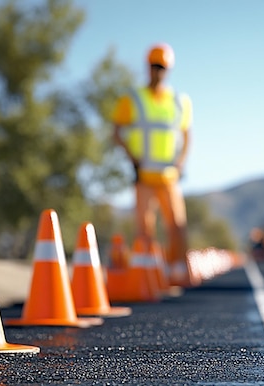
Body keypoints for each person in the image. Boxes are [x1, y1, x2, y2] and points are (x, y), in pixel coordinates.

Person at [112, 42, 195, 287]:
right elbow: (116, 131)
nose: (157, 71)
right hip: (145, 176)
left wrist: (180, 165)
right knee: (144, 230)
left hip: (169, 177)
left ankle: (179, 275)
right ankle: (148, 279)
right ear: (147, 67)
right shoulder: (133, 100)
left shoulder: (179, 101)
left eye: (162, 67)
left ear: (168, 69)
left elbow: (187, 136)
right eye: (154, 66)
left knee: (178, 227)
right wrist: (133, 159)